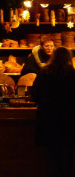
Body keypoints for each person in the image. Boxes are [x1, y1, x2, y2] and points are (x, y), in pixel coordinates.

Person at [31, 46, 75, 177]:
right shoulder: (72, 75)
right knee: (68, 160)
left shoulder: (44, 73)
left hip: (49, 121)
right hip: (69, 122)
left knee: (52, 159)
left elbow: (34, 95)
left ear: (53, 57)